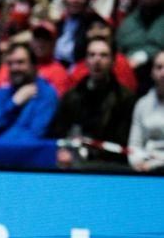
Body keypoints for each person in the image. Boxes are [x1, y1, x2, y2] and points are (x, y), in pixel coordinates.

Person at [52, 36, 136, 167]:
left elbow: (123, 143)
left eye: (103, 55)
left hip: (112, 165)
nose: (97, 60)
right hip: (76, 162)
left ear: (113, 61)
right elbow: (60, 133)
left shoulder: (125, 98)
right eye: (92, 55)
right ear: (86, 61)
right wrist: (63, 151)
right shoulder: (71, 96)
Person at [0, 42, 58, 140]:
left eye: (20, 62)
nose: (14, 68)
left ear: (34, 66)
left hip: (25, 154)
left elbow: (35, 135)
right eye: (10, 63)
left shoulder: (46, 95)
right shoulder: (1, 93)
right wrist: (13, 103)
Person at [128, 50, 164, 172]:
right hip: (145, 169)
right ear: (152, 73)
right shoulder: (142, 104)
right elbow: (134, 145)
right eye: (159, 67)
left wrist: (155, 164)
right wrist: (138, 162)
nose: (163, 73)